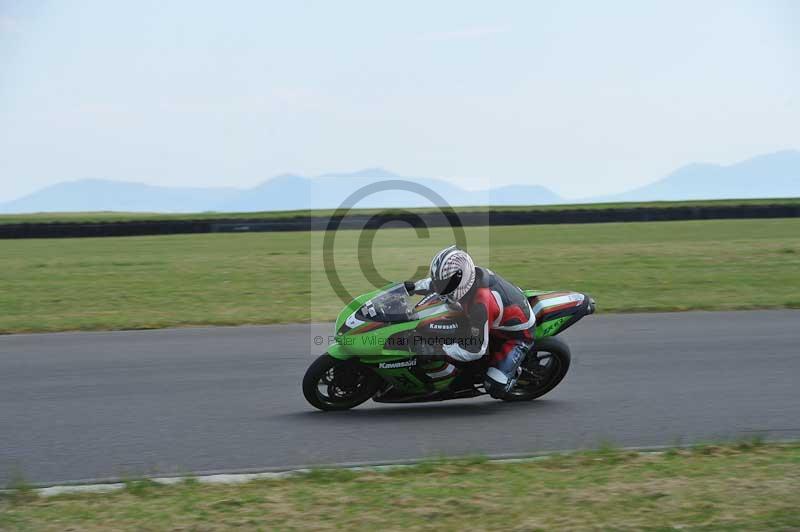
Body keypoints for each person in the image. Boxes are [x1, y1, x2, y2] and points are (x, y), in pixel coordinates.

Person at [405, 245, 535, 399]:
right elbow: (438, 283)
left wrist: (438, 349)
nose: (439, 287)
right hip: (499, 313)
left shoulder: (479, 306)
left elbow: (476, 349)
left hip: (517, 335)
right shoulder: (468, 275)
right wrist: (412, 287)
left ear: (462, 280)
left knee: (494, 386)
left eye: (445, 284)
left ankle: (513, 375)